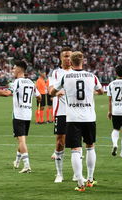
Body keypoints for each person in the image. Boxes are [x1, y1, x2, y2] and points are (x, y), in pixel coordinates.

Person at [51, 51, 103, 191]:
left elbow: (51, 92)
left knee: (75, 149)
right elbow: (101, 91)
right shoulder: (92, 76)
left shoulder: (65, 77)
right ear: (82, 61)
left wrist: (60, 93)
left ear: (71, 62)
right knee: (90, 146)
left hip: (72, 118)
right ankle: (90, 179)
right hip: (89, 117)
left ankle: (80, 183)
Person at [0, 60, 41, 173]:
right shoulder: (31, 82)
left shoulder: (16, 82)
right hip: (28, 115)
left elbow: (6, 93)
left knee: (21, 140)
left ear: (19, 69)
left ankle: (27, 165)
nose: (12, 70)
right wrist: (35, 105)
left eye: (14, 68)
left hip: (19, 115)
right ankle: (17, 161)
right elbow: (39, 97)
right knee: (21, 139)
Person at [48, 47, 73, 183]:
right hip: (61, 111)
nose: (68, 59)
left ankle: (77, 173)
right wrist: (55, 92)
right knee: (60, 142)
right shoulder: (56, 73)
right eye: (65, 56)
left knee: (76, 143)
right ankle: (59, 174)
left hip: (76, 111)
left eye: (69, 56)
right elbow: (50, 88)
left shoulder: (77, 72)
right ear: (61, 58)